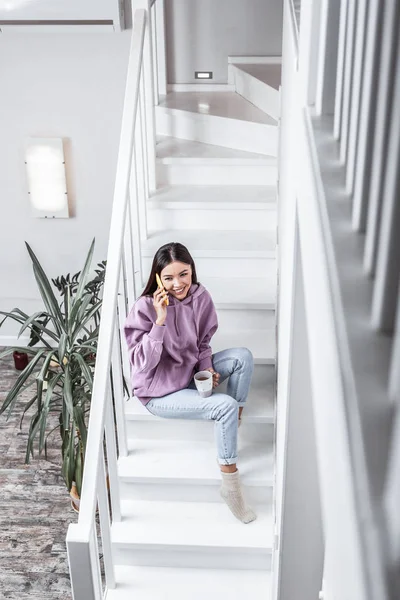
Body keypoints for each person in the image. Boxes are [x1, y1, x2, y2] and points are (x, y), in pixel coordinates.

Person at [124, 242, 256, 524]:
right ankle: (231, 486)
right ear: (158, 277)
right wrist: (160, 321)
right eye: (169, 277)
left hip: (188, 378)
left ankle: (234, 424)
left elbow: (203, 343)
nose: (177, 284)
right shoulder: (145, 307)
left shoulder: (200, 296)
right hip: (158, 393)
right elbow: (142, 363)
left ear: (192, 270)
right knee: (225, 406)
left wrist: (207, 369)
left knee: (242, 357)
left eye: (183, 274)